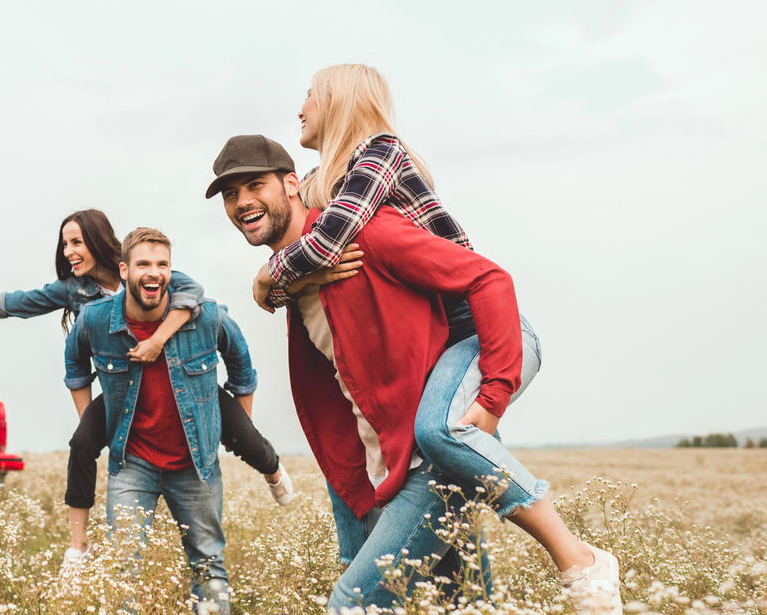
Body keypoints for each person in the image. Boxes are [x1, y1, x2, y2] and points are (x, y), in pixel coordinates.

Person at [210, 133, 621, 614]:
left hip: (424, 458)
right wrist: (271, 281)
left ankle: (583, 561)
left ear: (292, 184)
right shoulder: (291, 275)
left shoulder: (363, 235)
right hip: (374, 466)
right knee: (460, 600)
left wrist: (492, 398)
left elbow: (487, 279)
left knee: (352, 605)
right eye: (230, 195)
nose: (242, 202)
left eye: (254, 185)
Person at [0, 209, 325, 570]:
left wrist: (156, 341)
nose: (68, 251)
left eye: (76, 242)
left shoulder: (148, 267)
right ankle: (76, 549)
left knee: (242, 432)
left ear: (101, 244)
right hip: (122, 391)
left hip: (181, 378)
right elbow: (20, 302)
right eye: (64, 244)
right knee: (83, 443)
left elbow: (194, 295)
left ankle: (272, 471)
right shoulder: (74, 291)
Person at [64, 227, 255, 615]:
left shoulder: (207, 317)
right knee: (122, 570)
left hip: (194, 465)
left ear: (172, 270)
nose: (154, 273)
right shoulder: (95, 320)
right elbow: (75, 366)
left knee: (209, 566)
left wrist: (228, 431)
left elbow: (243, 372)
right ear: (123, 271)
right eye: (144, 264)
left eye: (162, 264)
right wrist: (92, 422)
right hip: (132, 463)